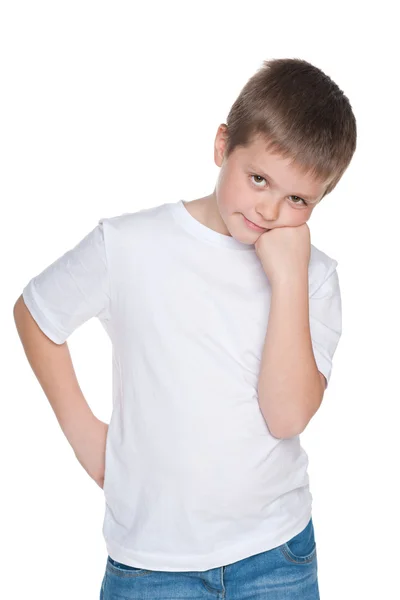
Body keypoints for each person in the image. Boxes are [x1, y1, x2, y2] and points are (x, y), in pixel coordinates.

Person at [14, 57, 357, 599]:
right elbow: (36, 314)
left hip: (276, 556)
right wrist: (85, 435)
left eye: (297, 199)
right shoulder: (128, 245)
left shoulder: (315, 278)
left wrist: (288, 278)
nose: (269, 209)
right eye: (259, 179)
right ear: (223, 146)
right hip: (150, 562)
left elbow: (286, 414)